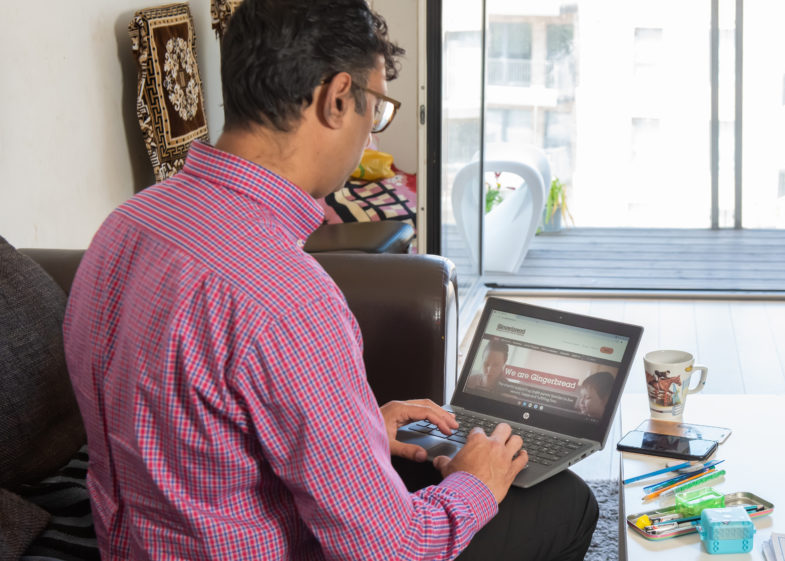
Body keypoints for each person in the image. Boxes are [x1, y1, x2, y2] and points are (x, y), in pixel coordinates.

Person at [62, 1, 597, 560]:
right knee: (566, 501)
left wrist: (359, 427)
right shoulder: (288, 297)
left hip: (132, 545)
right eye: (378, 109)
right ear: (337, 98)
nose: (371, 137)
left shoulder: (126, 224)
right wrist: (475, 485)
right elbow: (395, 551)